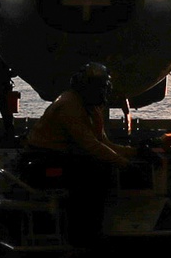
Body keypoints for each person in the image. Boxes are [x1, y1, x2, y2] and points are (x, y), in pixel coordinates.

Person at [23, 62, 135, 245]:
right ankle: (80, 239)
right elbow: (90, 144)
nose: (104, 92)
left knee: (98, 169)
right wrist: (124, 163)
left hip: (61, 156)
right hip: (42, 158)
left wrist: (136, 153)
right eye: (100, 87)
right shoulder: (70, 105)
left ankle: (90, 234)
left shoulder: (91, 107)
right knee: (92, 176)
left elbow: (103, 143)